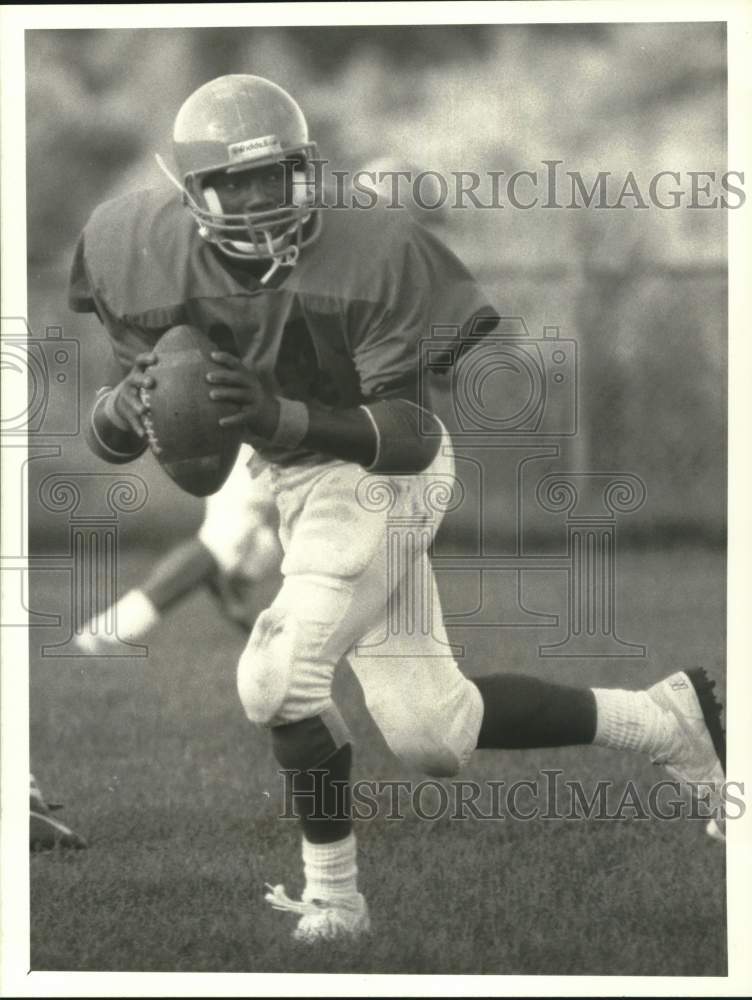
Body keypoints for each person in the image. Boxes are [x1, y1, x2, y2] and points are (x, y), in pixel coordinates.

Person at [69, 75, 726, 944]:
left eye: (279, 177)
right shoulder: (132, 246)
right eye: (238, 183)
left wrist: (276, 416)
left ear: (310, 170)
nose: (263, 201)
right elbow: (118, 433)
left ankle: (335, 903)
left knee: (275, 678)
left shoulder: (374, 249)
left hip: (381, 472)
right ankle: (673, 721)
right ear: (194, 193)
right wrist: (125, 407)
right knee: (433, 731)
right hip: (295, 481)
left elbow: (413, 436)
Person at [73, 444, 282, 652]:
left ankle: (226, 581)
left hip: (270, 452)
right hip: (255, 446)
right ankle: (111, 629)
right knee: (220, 543)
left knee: (263, 547)